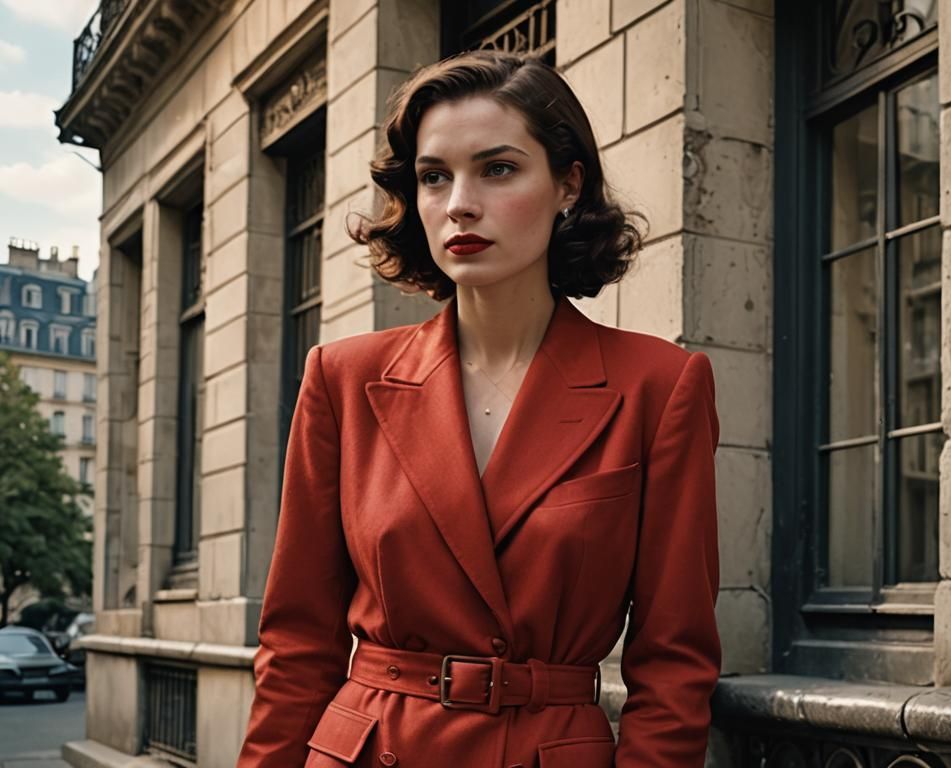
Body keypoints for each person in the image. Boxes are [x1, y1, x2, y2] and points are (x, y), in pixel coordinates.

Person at [234, 50, 721, 768]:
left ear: (568, 185)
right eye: (434, 176)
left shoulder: (657, 386)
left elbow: (674, 661)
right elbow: (297, 643)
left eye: (497, 169)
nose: (459, 203)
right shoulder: (343, 379)